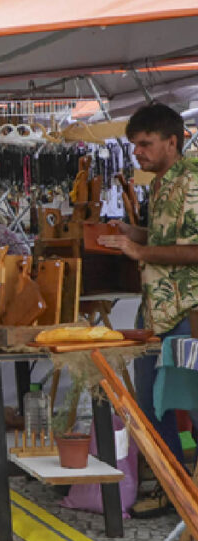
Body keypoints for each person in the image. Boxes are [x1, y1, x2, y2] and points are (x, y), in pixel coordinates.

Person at [99, 103, 198, 515]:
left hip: (188, 314)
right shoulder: (159, 184)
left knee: (190, 400)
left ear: (172, 142)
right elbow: (166, 238)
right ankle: (172, 488)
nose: (137, 153)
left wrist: (139, 249)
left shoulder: (192, 180)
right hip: (157, 314)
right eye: (134, 145)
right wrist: (130, 232)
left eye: (145, 144)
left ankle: (183, 493)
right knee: (151, 405)